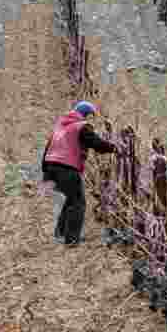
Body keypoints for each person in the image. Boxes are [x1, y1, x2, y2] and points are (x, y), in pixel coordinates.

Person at [42, 101, 116, 246]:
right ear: (85, 114)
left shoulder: (60, 127)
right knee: (78, 202)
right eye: (89, 116)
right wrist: (115, 148)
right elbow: (97, 144)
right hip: (67, 168)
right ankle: (72, 240)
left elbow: (47, 151)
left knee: (71, 198)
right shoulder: (81, 127)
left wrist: (46, 175)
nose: (89, 119)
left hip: (51, 167)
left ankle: (61, 233)